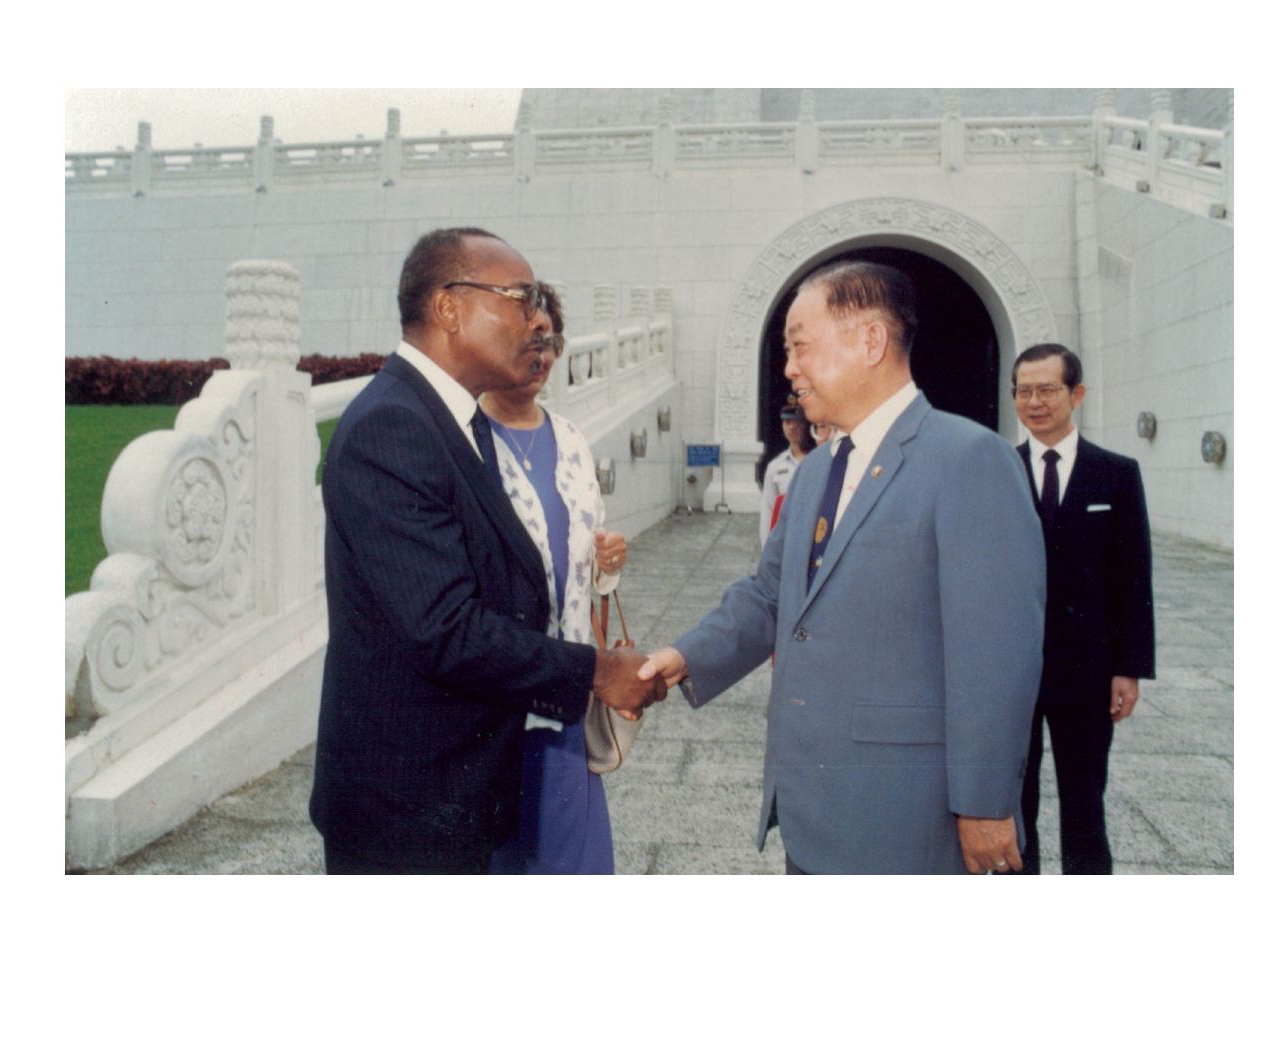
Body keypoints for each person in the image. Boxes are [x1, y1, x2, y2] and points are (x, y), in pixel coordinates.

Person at [638, 260, 1046, 874]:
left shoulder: (969, 459)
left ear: (870, 341)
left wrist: (986, 805)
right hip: (812, 807)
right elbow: (772, 594)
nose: (788, 368)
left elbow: (997, 654)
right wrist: (686, 656)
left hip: (908, 815)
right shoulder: (815, 472)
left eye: (800, 346)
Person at [309, 228, 661, 874]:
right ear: (449, 307)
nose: (535, 323)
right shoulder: (393, 426)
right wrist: (595, 671)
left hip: (461, 792)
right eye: (520, 300)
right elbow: (445, 630)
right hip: (408, 815)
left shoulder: (457, 421)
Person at [482, 283, 628, 874]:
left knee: (570, 860)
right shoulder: (466, 439)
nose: (539, 353)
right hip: (497, 697)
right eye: (526, 338)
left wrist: (608, 563)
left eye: (548, 340)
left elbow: (584, 561)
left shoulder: (570, 439)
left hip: (566, 689)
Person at [1012, 343, 1155, 875]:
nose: (1034, 402)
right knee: (1011, 803)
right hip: (1013, 670)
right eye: (1024, 391)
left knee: (1085, 802)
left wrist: (1129, 668)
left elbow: (1134, 577)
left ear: (1077, 394)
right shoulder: (996, 470)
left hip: (1088, 670)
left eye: (1047, 389)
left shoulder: (1116, 474)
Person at [759, 395, 815, 546]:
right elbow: (768, 510)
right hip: (787, 538)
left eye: (797, 422)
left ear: (806, 425)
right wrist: (767, 548)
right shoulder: (775, 466)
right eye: (787, 422)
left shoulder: (818, 460)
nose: (792, 427)